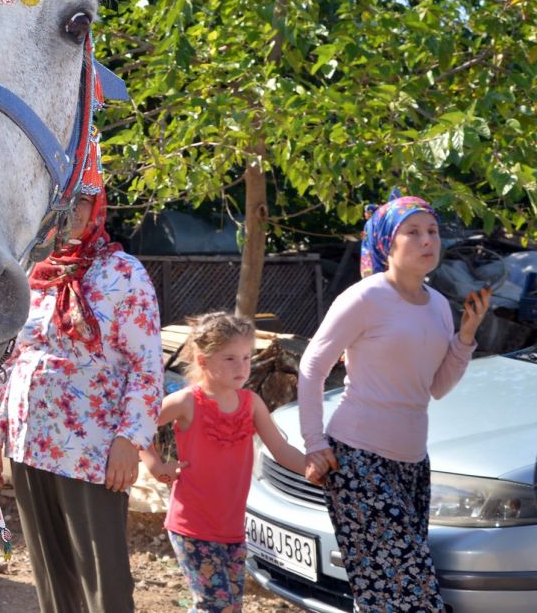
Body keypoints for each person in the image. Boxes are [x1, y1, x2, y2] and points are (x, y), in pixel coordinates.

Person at [0, 139, 163, 613]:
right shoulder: (29, 272)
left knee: (104, 581)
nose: (70, 212)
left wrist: (130, 440)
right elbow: (7, 358)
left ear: (97, 204)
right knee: (50, 574)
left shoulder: (124, 275)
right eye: (61, 200)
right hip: (29, 445)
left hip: (93, 453)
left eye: (81, 200)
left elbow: (146, 368)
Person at [298, 191, 490, 613]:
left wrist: (465, 336)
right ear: (387, 243)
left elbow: (436, 387)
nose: (428, 240)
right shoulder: (364, 298)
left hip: (413, 465)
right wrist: (314, 443)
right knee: (412, 591)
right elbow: (312, 366)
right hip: (358, 461)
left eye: (433, 231)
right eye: (413, 232)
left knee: (384, 594)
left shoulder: (439, 306)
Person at [139, 311, 308, 613]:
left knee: (227, 606)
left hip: (232, 528)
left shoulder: (251, 403)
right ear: (203, 361)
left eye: (246, 357)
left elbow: (282, 450)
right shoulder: (187, 401)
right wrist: (156, 466)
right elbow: (137, 427)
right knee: (218, 607)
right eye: (230, 358)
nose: (242, 366)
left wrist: (321, 470)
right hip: (192, 525)